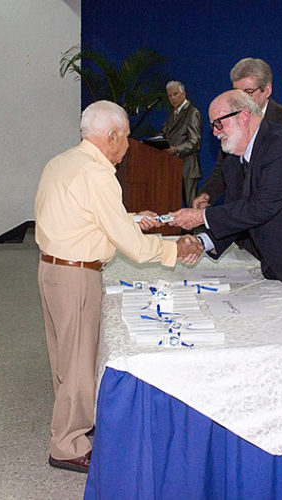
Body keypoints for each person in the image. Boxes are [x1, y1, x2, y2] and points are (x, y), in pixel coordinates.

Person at [35, 100, 202, 473]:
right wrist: (173, 249)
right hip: (77, 276)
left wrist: (129, 218)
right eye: (125, 138)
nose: (127, 146)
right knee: (78, 363)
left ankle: (67, 426)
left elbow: (81, 217)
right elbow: (137, 250)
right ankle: (67, 444)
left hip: (52, 270)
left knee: (64, 357)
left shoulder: (62, 162)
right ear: (111, 136)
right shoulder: (98, 174)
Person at [170, 89, 282, 294]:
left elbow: (259, 207)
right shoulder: (233, 159)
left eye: (218, 124)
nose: (215, 132)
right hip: (273, 269)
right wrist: (201, 242)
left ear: (244, 117)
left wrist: (199, 216)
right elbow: (236, 214)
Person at [193, 57, 282, 210]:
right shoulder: (231, 123)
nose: (242, 98)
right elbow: (223, 168)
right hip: (240, 217)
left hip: (280, 214)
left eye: (248, 92)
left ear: (267, 90)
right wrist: (207, 194)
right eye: (237, 92)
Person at [160, 81, 202, 207]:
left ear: (184, 93)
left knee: (191, 206)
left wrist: (176, 149)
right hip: (173, 166)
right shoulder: (173, 114)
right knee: (173, 203)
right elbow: (164, 133)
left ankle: (195, 227)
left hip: (188, 167)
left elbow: (195, 142)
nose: (172, 98)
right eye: (169, 96)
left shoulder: (192, 112)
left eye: (175, 94)